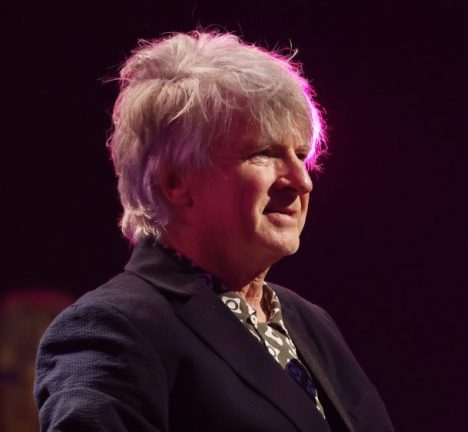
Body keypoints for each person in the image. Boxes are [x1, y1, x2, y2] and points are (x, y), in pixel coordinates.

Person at [34, 31, 394, 432]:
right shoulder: (113, 328)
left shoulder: (309, 322)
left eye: (300, 155)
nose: (300, 180)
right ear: (175, 182)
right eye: (264, 153)